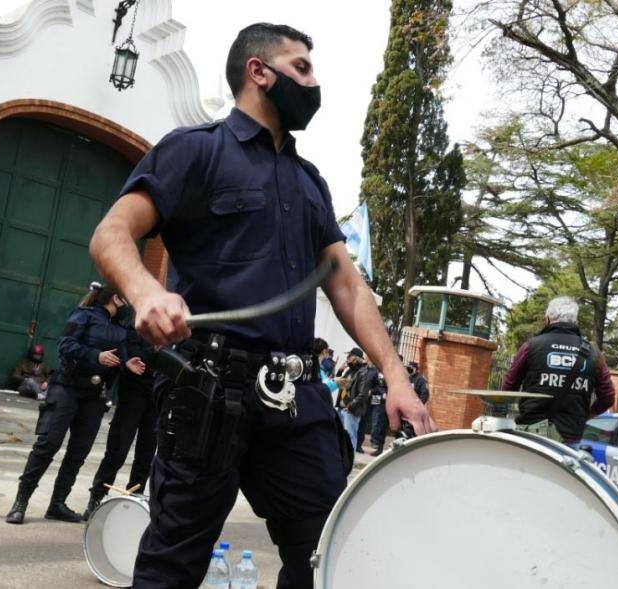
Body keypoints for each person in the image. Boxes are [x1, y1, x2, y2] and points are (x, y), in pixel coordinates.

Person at [90, 23, 434, 587]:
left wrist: (395, 375)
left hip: (295, 398)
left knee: (331, 552)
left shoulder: (310, 183)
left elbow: (346, 284)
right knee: (172, 563)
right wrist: (147, 291)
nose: (313, 83)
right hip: (207, 390)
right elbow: (111, 234)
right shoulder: (193, 151)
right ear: (259, 72)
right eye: (301, 68)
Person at [5, 283, 142, 524]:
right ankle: (21, 502)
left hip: (95, 396)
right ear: (115, 299)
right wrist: (95, 356)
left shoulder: (120, 330)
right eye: (125, 300)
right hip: (66, 388)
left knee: (78, 452)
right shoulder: (84, 314)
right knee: (48, 444)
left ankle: (57, 504)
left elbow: (118, 357)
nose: (127, 306)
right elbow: (65, 345)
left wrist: (125, 364)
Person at [502, 296, 616, 447]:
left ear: (547, 319)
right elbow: (608, 397)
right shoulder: (593, 353)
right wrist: (585, 416)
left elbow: (508, 387)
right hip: (570, 438)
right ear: (576, 323)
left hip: (531, 434)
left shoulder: (531, 346)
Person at [84, 326, 158, 519]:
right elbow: (135, 359)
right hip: (133, 396)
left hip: (157, 398)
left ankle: (136, 498)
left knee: (146, 454)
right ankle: (97, 496)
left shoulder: (173, 336)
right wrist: (157, 349)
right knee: (117, 450)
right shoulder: (134, 331)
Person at [335, 348, 367, 451]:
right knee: (339, 439)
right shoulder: (349, 370)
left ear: (355, 358)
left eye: (349, 356)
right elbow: (339, 383)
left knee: (350, 439)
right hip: (341, 409)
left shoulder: (362, 372)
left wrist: (350, 406)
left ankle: (350, 465)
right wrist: (339, 371)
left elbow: (363, 394)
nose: (347, 358)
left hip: (350, 411)